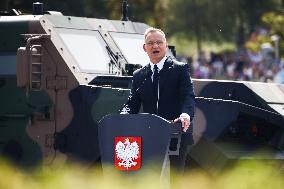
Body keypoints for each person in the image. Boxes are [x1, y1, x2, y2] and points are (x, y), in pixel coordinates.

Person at [122, 27, 195, 171]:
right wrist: (123, 115)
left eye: (159, 42)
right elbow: (132, 103)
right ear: (144, 47)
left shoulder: (180, 69)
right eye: (150, 43)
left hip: (175, 134)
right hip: (149, 135)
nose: (155, 46)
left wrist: (185, 115)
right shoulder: (139, 75)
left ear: (166, 45)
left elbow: (188, 96)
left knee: (174, 180)